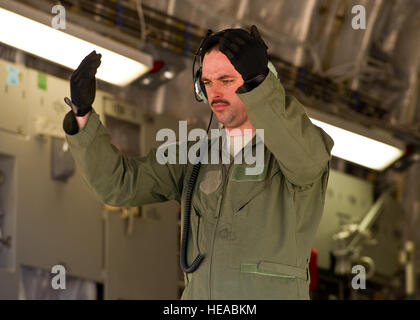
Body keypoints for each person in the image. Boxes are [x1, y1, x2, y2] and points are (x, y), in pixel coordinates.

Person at [63, 25, 334, 300]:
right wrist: (83, 116)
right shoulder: (194, 157)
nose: (214, 93)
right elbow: (118, 185)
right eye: (207, 82)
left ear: (258, 81)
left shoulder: (297, 151)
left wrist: (263, 88)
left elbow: (309, 162)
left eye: (226, 81)